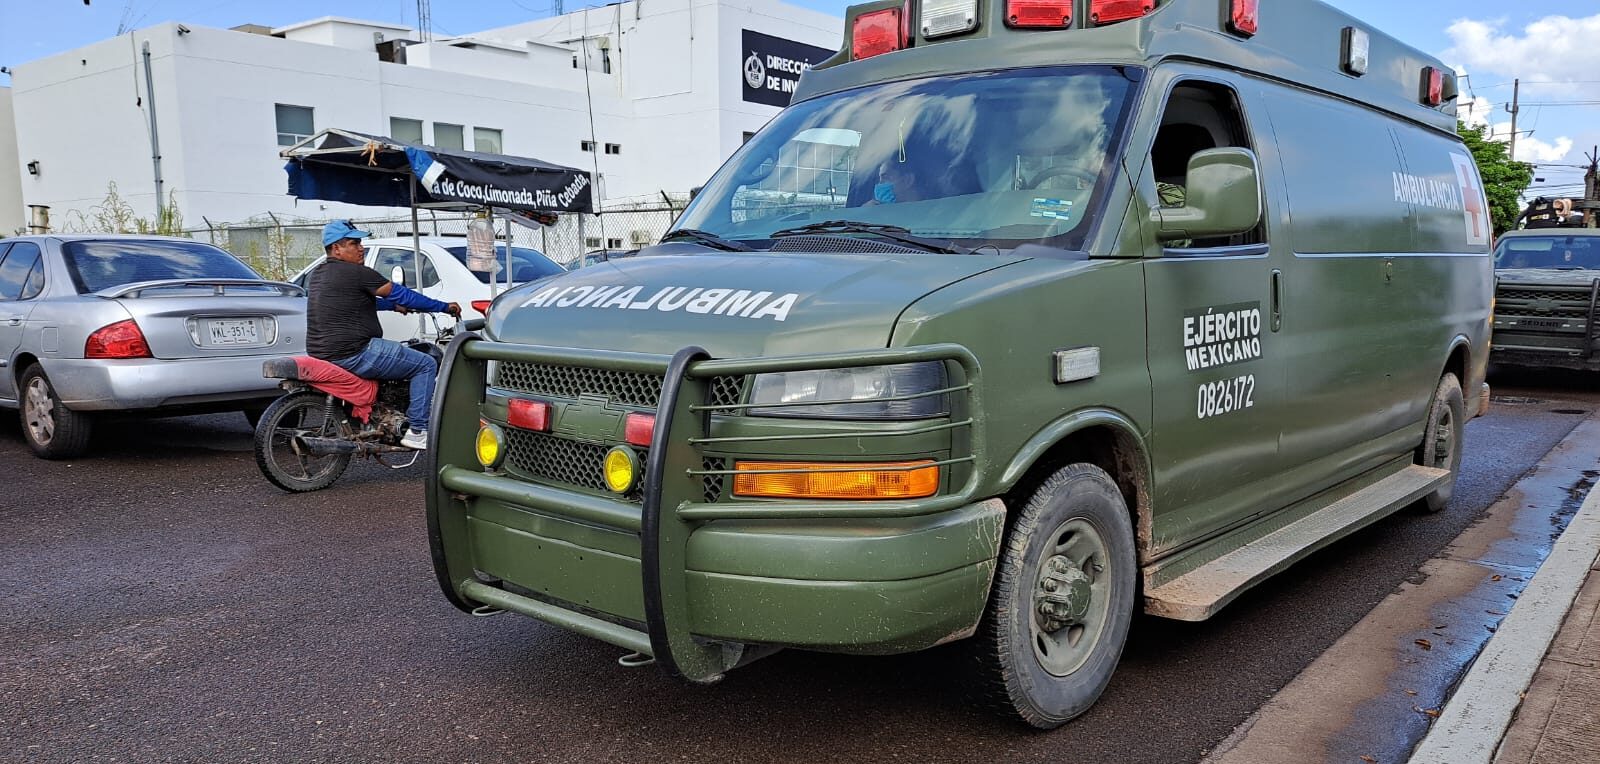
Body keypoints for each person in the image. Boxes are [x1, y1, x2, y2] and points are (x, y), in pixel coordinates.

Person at [306, 220, 460, 450]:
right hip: (356, 353)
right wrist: (443, 306)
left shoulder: (319, 274)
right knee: (425, 364)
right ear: (336, 248)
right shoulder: (357, 273)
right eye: (354, 243)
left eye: (360, 243)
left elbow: (355, 302)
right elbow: (402, 294)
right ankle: (418, 430)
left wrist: (392, 307)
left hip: (323, 352)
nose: (361, 248)